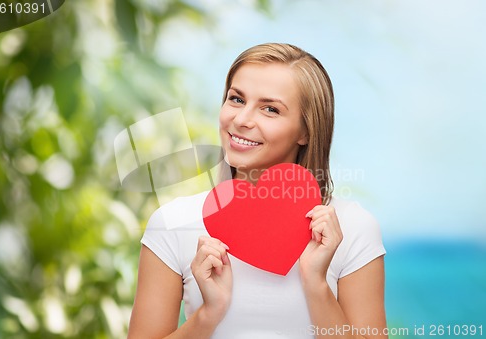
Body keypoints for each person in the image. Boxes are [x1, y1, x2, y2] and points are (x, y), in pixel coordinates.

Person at [128, 43, 387, 339]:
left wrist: (316, 284)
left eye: (270, 109)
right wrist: (208, 315)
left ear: (306, 130)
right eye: (236, 99)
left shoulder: (351, 228)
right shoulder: (171, 223)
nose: (241, 120)